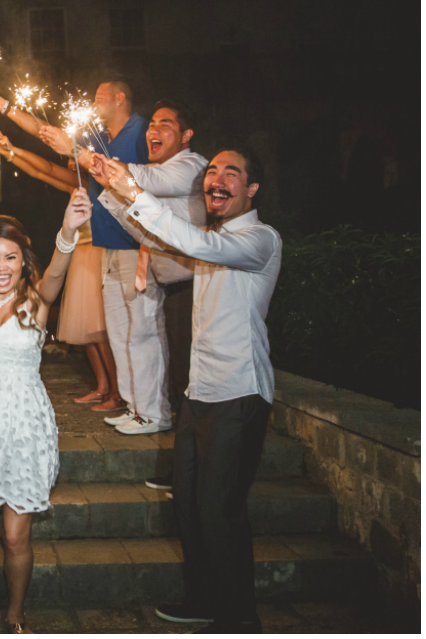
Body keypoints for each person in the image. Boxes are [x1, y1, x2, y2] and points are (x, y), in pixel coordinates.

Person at [98, 149, 282, 633]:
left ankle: (239, 617)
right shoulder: (210, 239)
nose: (216, 180)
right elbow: (160, 240)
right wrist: (116, 194)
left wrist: (137, 191)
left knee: (220, 510)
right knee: (189, 503)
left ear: (252, 188)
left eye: (231, 173)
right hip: (200, 392)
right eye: (212, 173)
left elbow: (194, 245)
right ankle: (204, 599)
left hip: (239, 393)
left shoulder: (259, 240)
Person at [0, 191, 92, 634]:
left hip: (24, 423)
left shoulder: (37, 301)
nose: (1, 266)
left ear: (24, 260)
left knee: (16, 536)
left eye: (10, 257)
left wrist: (68, 230)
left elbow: (59, 270)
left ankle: (15, 614)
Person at [0, 80, 148, 425]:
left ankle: (124, 395)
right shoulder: (83, 178)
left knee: (110, 331)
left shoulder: (111, 163)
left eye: (102, 95)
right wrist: (9, 150)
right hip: (90, 251)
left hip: (111, 249)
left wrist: (10, 118)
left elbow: (51, 148)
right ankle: (107, 387)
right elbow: (41, 166)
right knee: (92, 332)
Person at [83, 100, 208, 436]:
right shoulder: (159, 170)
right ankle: (141, 409)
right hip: (167, 275)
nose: (153, 129)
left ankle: (162, 418)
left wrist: (106, 168)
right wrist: (110, 188)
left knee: (170, 353)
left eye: (165, 123)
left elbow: (148, 180)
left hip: (191, 278)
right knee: (135, 337)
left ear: (186, 135)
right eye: (151, 123)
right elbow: (143, 228)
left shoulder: (192, 165)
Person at [0, 130, 124, 413]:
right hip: (80, 256)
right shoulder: (75, 184)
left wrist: (12, 150)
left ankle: (119, 392)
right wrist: (10, 151)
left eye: (76, 154)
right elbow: (42, 172)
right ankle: (101, 387)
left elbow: (47, 168)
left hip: (97, 255)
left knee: (100, 332)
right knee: (87, 333)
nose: (70, 162)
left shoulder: (93, 181)